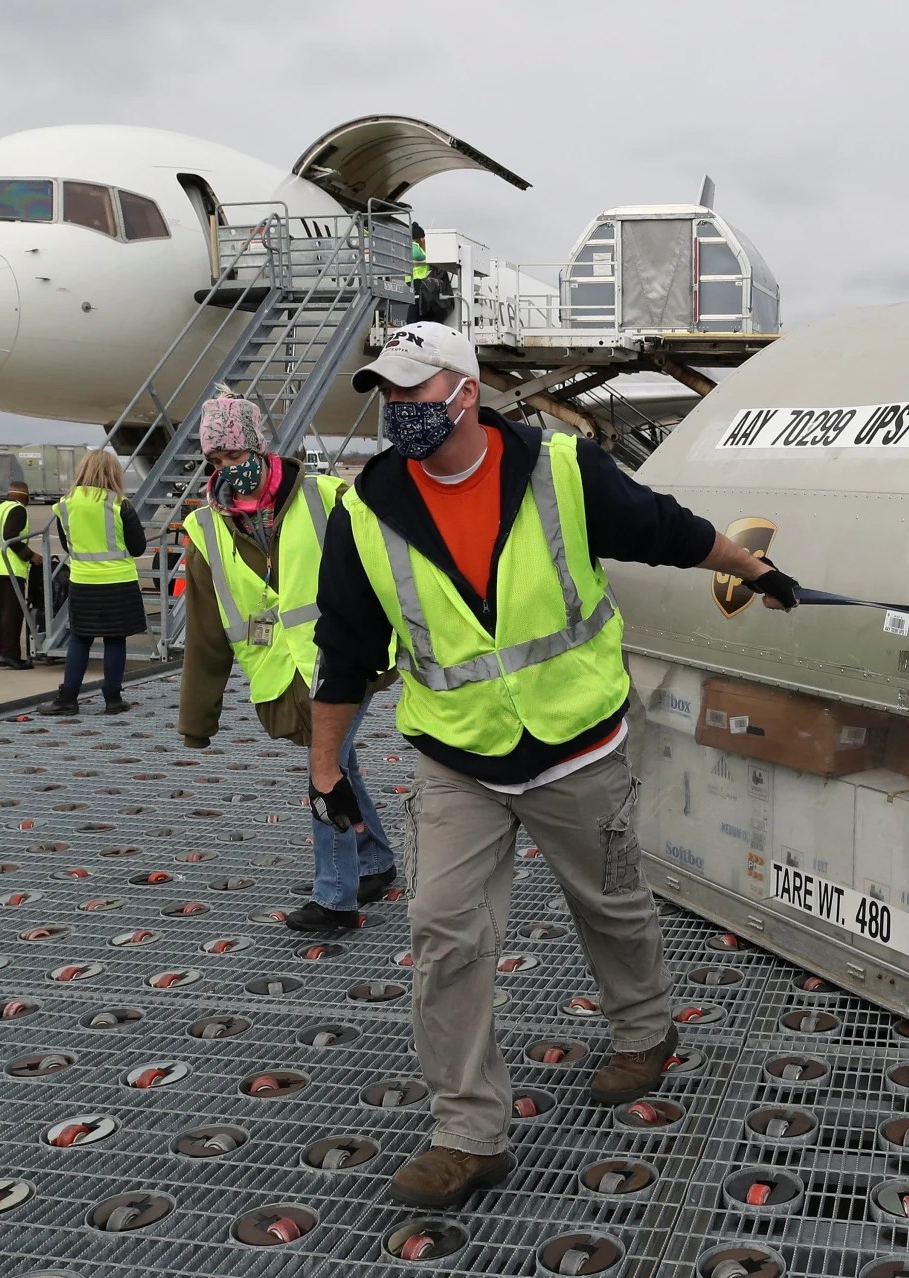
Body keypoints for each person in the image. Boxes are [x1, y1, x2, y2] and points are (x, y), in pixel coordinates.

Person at [308, 321, 801, 1210]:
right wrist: (324, 771)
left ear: (464, 390)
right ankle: (468, 1132)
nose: (397, 411)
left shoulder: (560, 470)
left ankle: (644, 1034)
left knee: (610, 903)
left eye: (413, 392)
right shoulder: (364, 510)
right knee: (444, 930)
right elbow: (343, 650)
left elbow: (667, 532)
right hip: (457, 758)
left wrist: (751, 569)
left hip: (578, 747)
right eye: (387, 393)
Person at [177, 393, 396, 932]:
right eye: (218, 461)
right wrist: (197, 719)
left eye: (235, 455)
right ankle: (376, 860)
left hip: (345, 661)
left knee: (324, 769)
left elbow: (386, 571)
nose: (229, 470)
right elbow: (206, 630)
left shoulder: (329, 497)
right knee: (339, 765)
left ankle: (335, 899)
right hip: (284, 673)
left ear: (259, 446)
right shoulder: (207, 528)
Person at [39, 451, 146, 716]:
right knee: (115, 641)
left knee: (80, 639)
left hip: (83, 581)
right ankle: (112, 698)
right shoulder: (119, 504)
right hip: (118, 581)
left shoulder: (66, 504)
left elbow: (67, 544)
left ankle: (68, 698)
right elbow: (138, 546)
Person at [0, 480, 42, 669]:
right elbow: (10, 536)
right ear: (24, 495)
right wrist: (30, 555)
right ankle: (10, 655)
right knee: (12, 614)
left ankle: (2, 654)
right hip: (8, 568)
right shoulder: (18, 510)